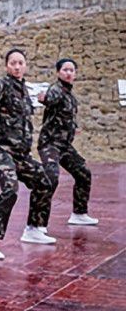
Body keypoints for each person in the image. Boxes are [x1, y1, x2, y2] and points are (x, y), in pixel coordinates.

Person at [0, 49, 56, 259]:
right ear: (7, 66)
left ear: (25, 66)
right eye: (13, 63)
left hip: (21, 155)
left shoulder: (25, 92)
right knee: (10, 189)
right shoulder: (4, 86)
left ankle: (34, 229)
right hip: (2, 152)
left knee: (44, 181)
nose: (17, 67)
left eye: (20, 63)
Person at [37, 58, 98, 226]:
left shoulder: (71, 96)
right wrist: (45, 99)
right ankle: (36, 226)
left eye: (72, 70)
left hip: (64, 146)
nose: (69, 73)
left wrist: (74, 127)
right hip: (50, 144)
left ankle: (79, 214)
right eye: (65, 70)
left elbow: (68, 116)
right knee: (51, 178)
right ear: (58, 72)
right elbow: (50, 98)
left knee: (83, 174)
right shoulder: (56, 89)